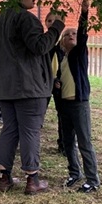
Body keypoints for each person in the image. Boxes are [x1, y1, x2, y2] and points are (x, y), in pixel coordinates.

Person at [0, 0, 65, 194]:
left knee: (10, 129)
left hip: (5, 87)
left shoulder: (0, 20)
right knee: (30, 131)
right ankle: (33, 179)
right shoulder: (26, 18)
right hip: (28, 87)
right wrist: (56, 27)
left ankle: (5, 178)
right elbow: (39, 47)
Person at [53, 0, 100, 193]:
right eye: (68, 34)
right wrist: (55, 83)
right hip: (64, 105)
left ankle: (92, 179)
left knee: (84, 141)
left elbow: (82, 32)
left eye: (74, 34)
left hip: (79, 103)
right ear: (62, 41)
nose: (72, 36)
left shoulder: (79, 54)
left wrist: (84, 12)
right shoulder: (60, 57)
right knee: (67, 141)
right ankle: (74, 172)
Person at [45, 9, 66, 156]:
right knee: (37, 113)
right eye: (49, 21)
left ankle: (63, 144)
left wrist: (57, 80)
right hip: (44, 83)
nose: (52, 24)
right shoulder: (43, 42)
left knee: (63, 114)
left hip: (59, 84)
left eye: (55, 21)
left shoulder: (64, 44)